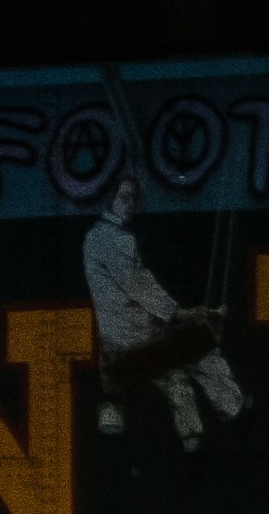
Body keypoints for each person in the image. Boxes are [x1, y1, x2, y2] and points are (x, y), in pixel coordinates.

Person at [80, 178, 243, 450]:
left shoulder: (101, 237)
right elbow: (138, 285)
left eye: (133, 198)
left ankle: (193, 437)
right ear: (110, 199)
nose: (130, 205)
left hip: (124, 341)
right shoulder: (112, 239)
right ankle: (233, 408)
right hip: (133, 341)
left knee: (177, 376)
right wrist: (176, 313)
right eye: (124, 198)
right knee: (201, 346)